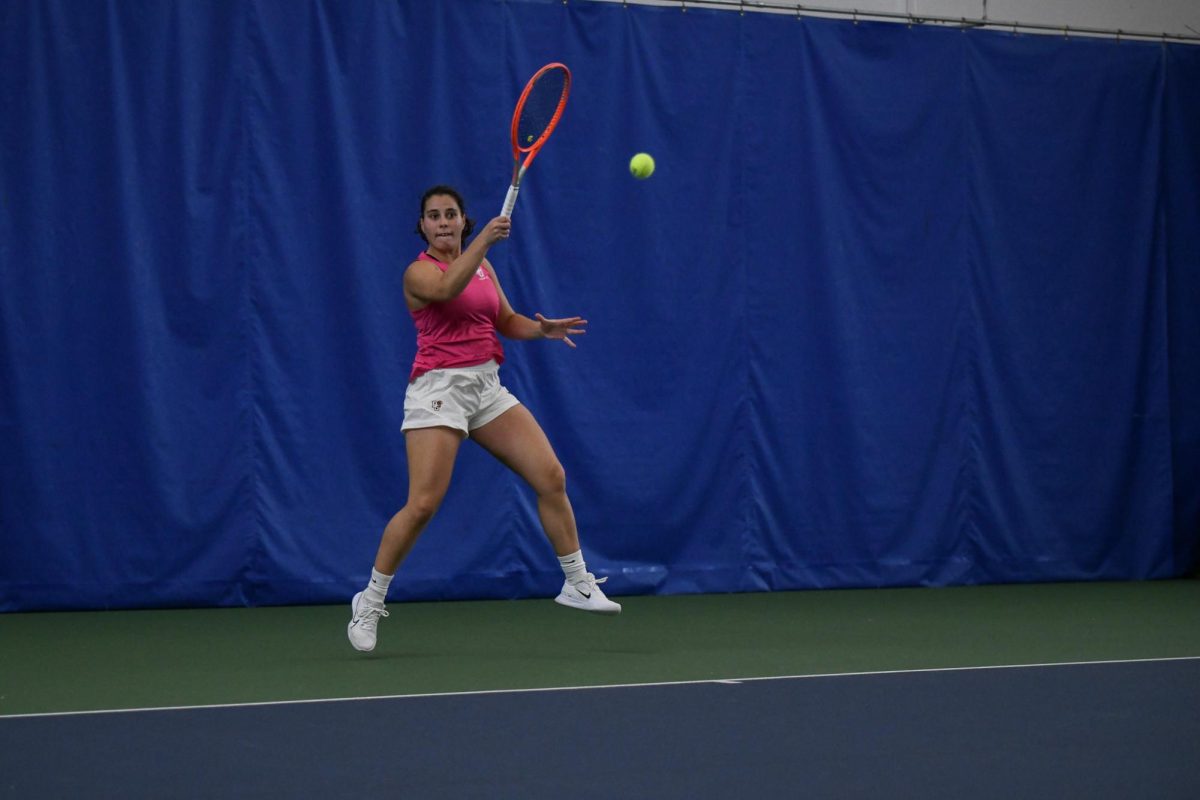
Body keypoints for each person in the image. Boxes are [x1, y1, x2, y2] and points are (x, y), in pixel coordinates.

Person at [347, 185, 620, 652]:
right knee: (423, 505)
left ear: (461, 219)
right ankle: (369, 601)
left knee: (550, 476)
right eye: (434, 216)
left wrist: (541, 329)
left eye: (450, 214)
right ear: (424, 227)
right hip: (438, 391)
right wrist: (484, 242)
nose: (443, 222)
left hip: (486, 388)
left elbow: (506, 320)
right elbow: (447, 288)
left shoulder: (483, 267)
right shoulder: (419, 272)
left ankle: (576, 582)